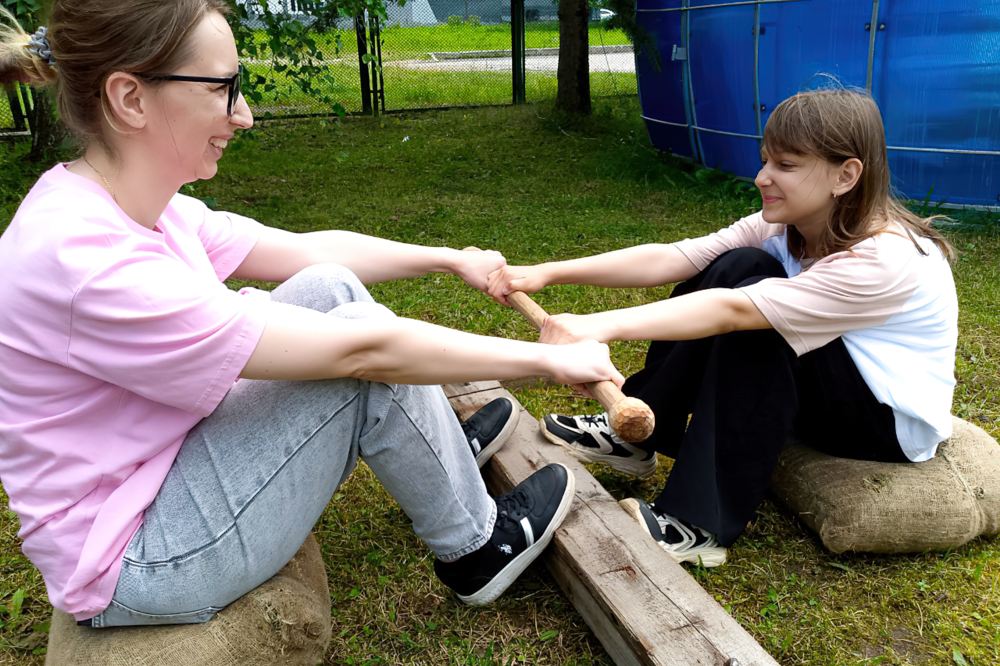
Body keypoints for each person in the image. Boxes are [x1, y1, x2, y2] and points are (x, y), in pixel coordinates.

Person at [0, 1, 624, 628]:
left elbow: (308, 252)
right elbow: (365, 351)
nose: (243, 114)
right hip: (137, 558)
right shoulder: (87, 260)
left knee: (327, 288)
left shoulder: (124, 203)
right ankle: (477, 549)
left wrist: (448, 258)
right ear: (130, 98)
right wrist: (550, 359)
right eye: (223, 88)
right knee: (355, 339)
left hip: (158, 473)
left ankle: (427, 445)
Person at [486, 87, 958, 568]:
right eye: (765, 161)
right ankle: (638, 437)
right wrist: (549, 272)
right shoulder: (788, 224)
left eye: (786, 166)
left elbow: (732, 311)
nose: (762, 178)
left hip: (880, 425)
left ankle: (699, 524)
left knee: (759, 322)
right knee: (736, 265)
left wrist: (595, 327)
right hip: (832, 387)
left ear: (847, 174)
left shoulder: (886, 259)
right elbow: (675, 257)